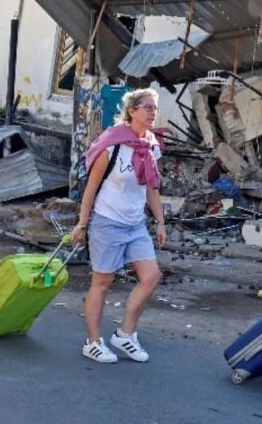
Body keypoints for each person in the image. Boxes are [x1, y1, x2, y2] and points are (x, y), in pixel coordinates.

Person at [72, 88, 166, 364]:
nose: (152, 113)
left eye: (154, 108)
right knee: (102, 282)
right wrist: (82, 223)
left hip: (135, 224)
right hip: (107, 222)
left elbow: (152, 189)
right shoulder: (112, 145)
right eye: (147, 107)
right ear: (132, 111)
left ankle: (125, 334)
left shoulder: (150, 145)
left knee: (150, 277)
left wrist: (160, 222)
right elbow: (90, 188)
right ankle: (92, 342)